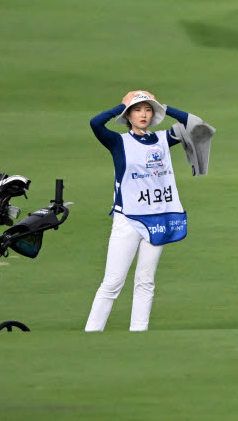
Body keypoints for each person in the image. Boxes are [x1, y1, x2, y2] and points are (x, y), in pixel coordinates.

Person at [85, 90, 190, 332]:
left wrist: (166, 108)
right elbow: (95, 123)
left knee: (146, 281)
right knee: (112, 283)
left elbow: (193, 125)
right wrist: (120, 105)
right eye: (137, 109)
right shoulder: (118, 141)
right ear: (128, 115)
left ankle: (139, 333)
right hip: (128, 219)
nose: (143, 114)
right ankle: (91, 333)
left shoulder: (164, 138)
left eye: (147, 109)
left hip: (158, 218)